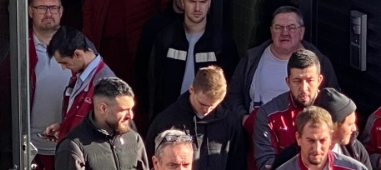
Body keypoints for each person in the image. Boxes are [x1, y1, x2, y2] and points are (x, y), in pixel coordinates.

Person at [55, 76, 149, 170]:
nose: (131, 115)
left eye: (131, 109)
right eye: (124, 110)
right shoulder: (74, 146)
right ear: (103, 108)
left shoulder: (134, 139)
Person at [132, 0, 238, 129]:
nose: (197, 8)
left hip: (209, 124)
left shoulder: (221, 43)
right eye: (192, 1)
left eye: (203, 2)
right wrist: (154, 121)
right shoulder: (166, 38)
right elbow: (151, 83)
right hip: (169, 122)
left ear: (210, 3)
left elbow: (231, 87)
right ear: (182, 3)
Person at [229, 5, 336, 115]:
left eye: (291, 27)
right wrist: (243, 118)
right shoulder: (251, 59)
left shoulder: (320, 63)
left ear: (301, 32)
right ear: (271, 31)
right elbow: (233, 95)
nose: (285, 33)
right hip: (258, 128)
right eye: (278, 27)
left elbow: (334, 102)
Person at [28, 1, 71, 170]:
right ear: (29, 11)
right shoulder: (18, 49)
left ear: (62, 12)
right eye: (42, 8)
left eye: (53, 8)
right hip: (31, 155)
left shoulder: (78, 47)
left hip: (69, 153)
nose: (48, 13)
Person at [46, 29, 117, 143]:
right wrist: (64, 128)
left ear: (77, 54)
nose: (63, 68)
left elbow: (107, 135)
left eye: (64, 62)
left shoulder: (104, 83)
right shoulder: (80, 76)